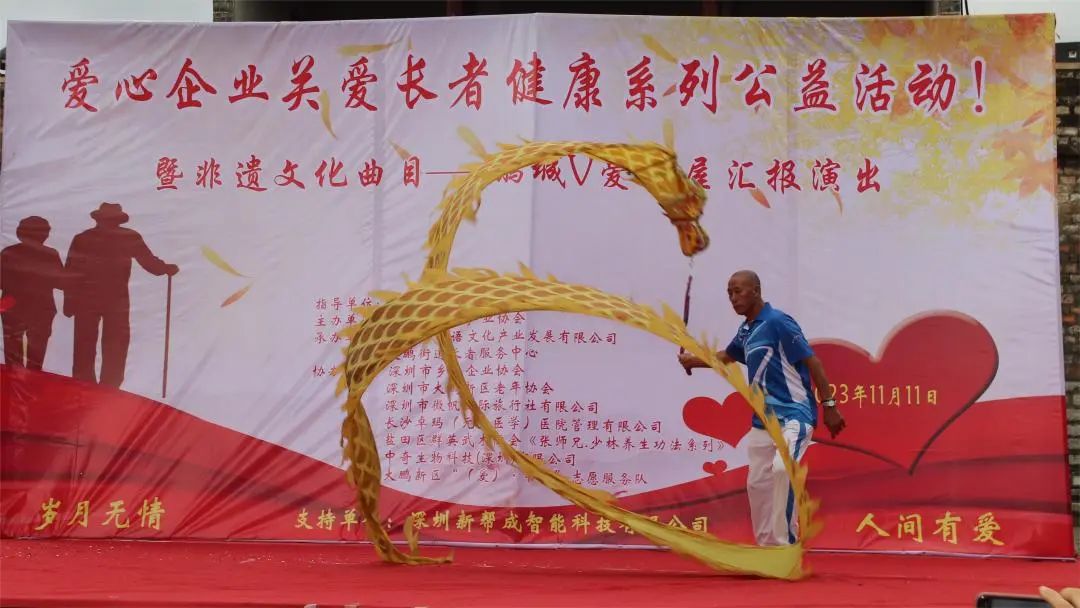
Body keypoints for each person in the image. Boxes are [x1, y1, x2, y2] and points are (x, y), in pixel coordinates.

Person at [678, 269, 845, 546]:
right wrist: (693, 361)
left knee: (782, 469)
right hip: (763, 422)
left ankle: (786, 544)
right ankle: (767, 547)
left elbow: (813, 362)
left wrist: (829, 405)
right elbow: (727, 356)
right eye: (729, 293)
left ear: (756, 291)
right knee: (757, 484)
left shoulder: (778, 322)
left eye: (738, 291)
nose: (733, 298)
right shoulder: (747, 330)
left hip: (795, 415)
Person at [64, 202, 179, 388]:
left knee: (92, 342)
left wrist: (69, 302)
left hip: (95, 298)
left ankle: (88, 383)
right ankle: (107, 384)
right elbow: (149, 262)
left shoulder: (83, 238)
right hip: (113, 298)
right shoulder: (127, 237)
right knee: (113, 342)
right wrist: (165, 268)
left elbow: (70, 271)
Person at [0, 216, 67, 370]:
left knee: (12, 352)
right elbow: (60, 282)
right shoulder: (50, 254)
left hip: (12, 307)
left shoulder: (9, 252)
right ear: (45, 234)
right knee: (36, 356)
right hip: (42, 308)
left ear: (20, 233)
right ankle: (33, 382)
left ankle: (14, 381)